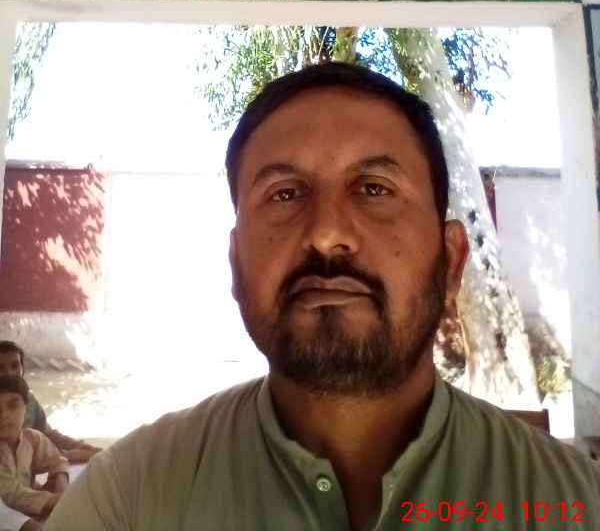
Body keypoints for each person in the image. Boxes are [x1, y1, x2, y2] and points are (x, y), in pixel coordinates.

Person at [46, 62, 600, 530]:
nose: (326, 232)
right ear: (236, 265)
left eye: (375, 189)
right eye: (285, 194)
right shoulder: (127, 501)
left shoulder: (576, 504)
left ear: (450, 261)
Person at [0, 341, 101, 465]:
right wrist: (74, 455)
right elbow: (17, 454)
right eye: (1, 368)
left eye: (15, 366)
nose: (9, 373)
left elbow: (47, 433)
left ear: (23, 368)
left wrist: (79, 446)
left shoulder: (29, 401)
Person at [0, 376, 68, 523]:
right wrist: (55, 500)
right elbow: (11, 495)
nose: (4, 415)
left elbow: (58, 461)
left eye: (12, 406)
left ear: (26, 408)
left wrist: (59, 482)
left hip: (29, 513)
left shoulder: (32, 438)